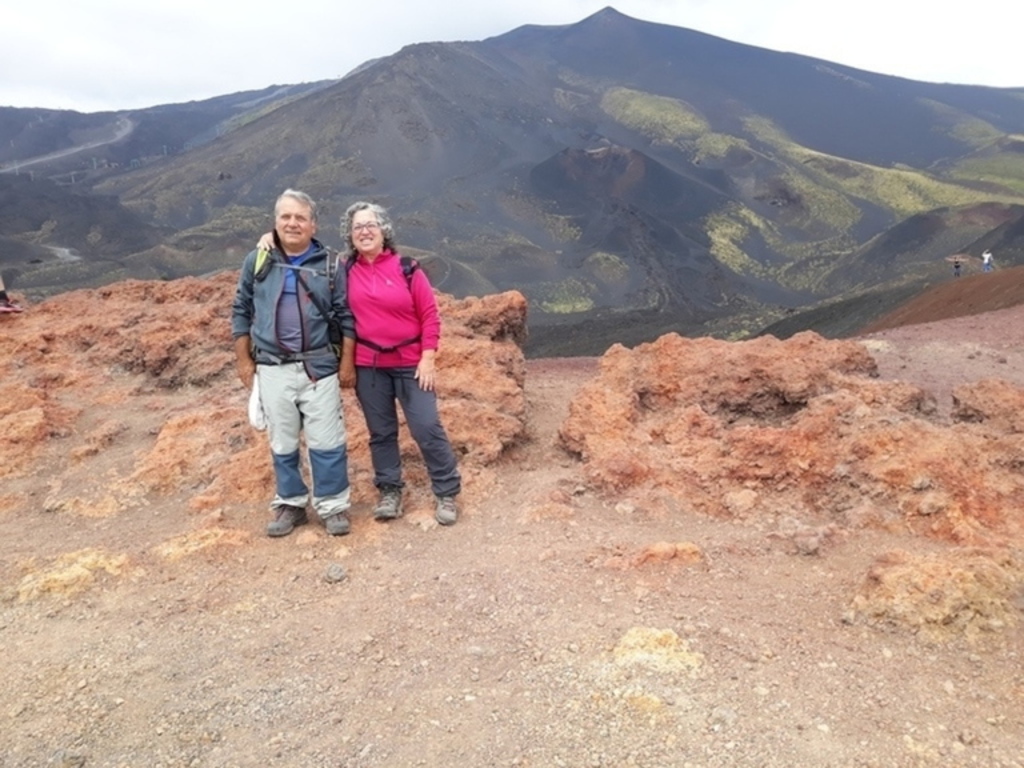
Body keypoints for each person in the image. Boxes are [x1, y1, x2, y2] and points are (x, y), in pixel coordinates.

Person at [232, 189, 355, 538]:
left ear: (313, 225)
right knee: (282, 441)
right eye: (285, 216)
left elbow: (346, 316)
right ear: (275, 222)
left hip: (319, 366)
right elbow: (241, 308)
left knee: (327, 441)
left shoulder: (330, 264)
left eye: (300, 217)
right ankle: (291, 503)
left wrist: (347, 364)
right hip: (272, 366)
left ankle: (332, 505)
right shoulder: (258, 260)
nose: (292, 223)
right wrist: (243, 360)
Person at [342, 202, 462, 525]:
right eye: (357, 227)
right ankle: (390, 491)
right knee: (381, 432)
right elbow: (304, 253)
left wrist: (428, 357)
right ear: (350, 235)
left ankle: (447, 491)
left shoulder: (407, 268)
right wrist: (269, 239)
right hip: (369, 365)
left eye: (371, 225)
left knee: (426, 426)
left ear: (384, 231)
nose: (364, 231)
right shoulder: (344, 271)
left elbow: (429, 315)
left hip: (411, 363)